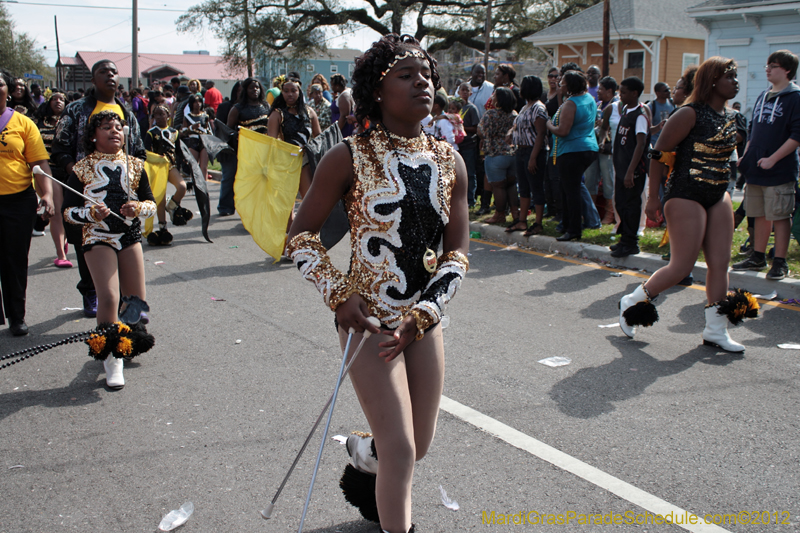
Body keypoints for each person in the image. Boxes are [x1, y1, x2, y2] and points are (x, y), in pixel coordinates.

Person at [286, 34, 469, 533]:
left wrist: (424, 314)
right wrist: (338, 296)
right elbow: (299, 237)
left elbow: (457, 254)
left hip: (422, 322)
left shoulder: (451, 162)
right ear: (376, 91)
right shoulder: (347, 157)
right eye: (405, 76)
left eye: (426, 75)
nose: (421, 83)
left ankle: (363, 451)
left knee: (417, 447)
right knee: (403, 449)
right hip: (367, 324)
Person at [620, 57, 758, 352]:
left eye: (736, 77)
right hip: (685, 193)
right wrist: (654, 197)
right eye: (729, 76)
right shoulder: (688, 114)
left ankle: (715, 330)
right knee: (682, 265)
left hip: (718, 193)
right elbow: (658, 153)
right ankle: (634, 301)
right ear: (711, 81)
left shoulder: (732, 117)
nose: (735, 81)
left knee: (720, 264)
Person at [63, 111, 156, 388]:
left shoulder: (136, 165)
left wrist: (137, 208)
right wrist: (92, 214)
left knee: (135, 300)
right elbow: (68, 212)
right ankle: (111, 357)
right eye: (106, 127)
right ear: (93, 135)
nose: (114, 131)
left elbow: (151, 204)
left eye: (118, 127)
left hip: (129, 235)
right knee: (109, 296)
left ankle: (125, 342)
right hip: (97, 237)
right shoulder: (81, 168)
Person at [52, 59, 146, 319]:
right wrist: (77, 174)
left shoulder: (125, 111)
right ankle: (91, 291)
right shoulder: (76, 109)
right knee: (89, 241)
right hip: (86, 192)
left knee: (127, 248)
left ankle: (130, 315)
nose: (110, 76)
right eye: (103, 72)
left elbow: (137, 148)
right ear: (93, 79)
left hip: (122, 191)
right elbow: (60, 148)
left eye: (114, 72)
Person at [733, 50, 800, 280]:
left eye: (773, 65)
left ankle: (780, 262)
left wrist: (774, 158)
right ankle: (757, 256)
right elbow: (753, 131)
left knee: (780, 215)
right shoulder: (763, 95)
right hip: (756, 169)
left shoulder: (795, 97)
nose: (768, 69)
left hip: (780, 170)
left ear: (787, 70)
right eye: (767, 65)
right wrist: (748, 154)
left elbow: (796, 135)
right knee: (759, 214)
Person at [0, 69, 55, 336]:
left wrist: (46, 194)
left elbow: (39, 163)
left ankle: (16, 316)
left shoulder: (23, 123)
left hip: (17, 202)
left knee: (14, 260)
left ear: (8, 90)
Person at [546, 70, 599, 241]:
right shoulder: (588, 99)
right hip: (588, 147)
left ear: (569, 86)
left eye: (562, 82)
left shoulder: (572, 104)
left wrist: (549, 125)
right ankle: (568, 224)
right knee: (568, 188)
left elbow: (562, 130)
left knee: (571, 191)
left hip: (572, 150)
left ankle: (574, 229)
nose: (560, 84)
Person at [609, 77, 650, 258]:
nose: (620, 95)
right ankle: (624, 239)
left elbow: (640, 144)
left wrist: (631, 171)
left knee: (631, 205)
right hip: (621, 167)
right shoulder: (626, 110)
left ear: (634, 93)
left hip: (632, 171)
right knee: (621, 204)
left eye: (623, 92)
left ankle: (631, 242)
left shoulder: (640, 115)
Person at [267, 74, 320, 201]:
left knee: (309, 200)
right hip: (284, 162)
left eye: (293, 91)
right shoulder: (277, 114)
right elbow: (271, 142)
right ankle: (290, 222)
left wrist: (311, 148)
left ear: (299, 92)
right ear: (282, 93)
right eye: (286, 91)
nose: (290, 94)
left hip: (304, 162)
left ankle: (307, 221)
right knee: (286, 203)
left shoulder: (309, 112)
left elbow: (319, 137)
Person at [144, 105, 192, 245]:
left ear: (168, 116)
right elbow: (146, 152)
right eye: (156, 115)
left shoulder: (174, 132)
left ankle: (171, 206)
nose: (158, 117)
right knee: (160, 198)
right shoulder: (151, 133)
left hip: (171, 167)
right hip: (157, 168)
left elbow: (178, 151)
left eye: (161, 114)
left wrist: (185, 162)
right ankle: (162, 228)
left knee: (182, 186)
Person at [34, 89, 71, 267]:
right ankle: (61, 255)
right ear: (48, 102)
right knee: (55, 212)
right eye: (54, 99)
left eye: (62, 99)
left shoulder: (70, 122)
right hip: (46, 172)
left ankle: (63, 238)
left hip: (66, 170)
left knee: (66, 213)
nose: (58, 102)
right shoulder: (37, 123)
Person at [223, 77, 269, 216]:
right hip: (244, 151)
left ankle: (256, 211)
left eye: (257, 87)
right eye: (251, 87)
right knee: (244, 181)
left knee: (260, 181)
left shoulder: (266, 106)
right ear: (245, 90)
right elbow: (228, 130)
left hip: (263, 150)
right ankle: (231, 208)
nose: (255, 90)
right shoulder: (237, 108)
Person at [509, 75, 548, 235]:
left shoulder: (539, 108)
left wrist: (533, 157)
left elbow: (541, 133)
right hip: (521, 150)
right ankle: (522, 221)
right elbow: (517, 125)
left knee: (536, 187)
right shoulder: (525, 107)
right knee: (523, 188)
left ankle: (538, 223)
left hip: (533, 151)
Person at [478, 87, 519, 226]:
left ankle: (499, 214)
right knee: (511, 184)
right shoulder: (514, 115)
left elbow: (482, 132)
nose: (492, 98)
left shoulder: (490, 115)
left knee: (498, 186)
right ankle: (515, 213)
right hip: (512, 153)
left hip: (495, 154)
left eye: (494, 96)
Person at [589, 76, 618, 224]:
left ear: (609, 91)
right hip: (594, 147)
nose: (598, 91)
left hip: (608, 150)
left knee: (608, 182)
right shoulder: (598, 105)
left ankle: (610, 215)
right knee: (590, 180)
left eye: (601, 89)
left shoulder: (617, 106)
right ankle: (592, 213)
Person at [457, 82, 480, 207]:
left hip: (469, 144)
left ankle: (471, 200)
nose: (464, 92)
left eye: (467, 90)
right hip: (457, 145)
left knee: (470, 172)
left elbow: (476, 128)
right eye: (462, 90)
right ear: (459, 92)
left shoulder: (472, 108)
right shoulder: (455, 107)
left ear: (470, 93)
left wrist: (462, 128)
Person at [182, 94, 211, 185]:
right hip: (193, 141)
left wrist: (206, 129)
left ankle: (203, 186)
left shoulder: (205, 116)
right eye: (195, 102)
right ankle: (196, 186)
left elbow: (209, 131)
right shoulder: (187, 116)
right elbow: (183, 132)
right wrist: (191, 128)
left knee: (204, 166)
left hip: (204, 141)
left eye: (199, 101)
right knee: (194, 167)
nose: (197, 104)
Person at [648, 82, 675, 147]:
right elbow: (648, 130)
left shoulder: (672, 104)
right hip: (655, 144)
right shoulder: (651, 106)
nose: (669, 92)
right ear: (658, 93)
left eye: (669, 89)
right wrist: (659, 126)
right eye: (666, 90)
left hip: (669, 144)